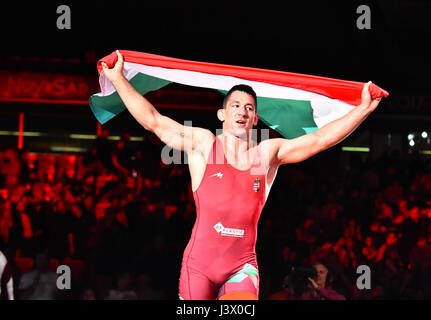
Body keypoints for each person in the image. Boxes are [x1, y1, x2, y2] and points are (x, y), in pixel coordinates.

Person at [101, 50, 382, 300]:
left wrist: (363, 108)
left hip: (242, 267)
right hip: (198, 267)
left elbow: (320, 140)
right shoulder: (204, 144)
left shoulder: (266, 155)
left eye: (249, 108)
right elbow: (154, 121)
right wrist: (118, 79)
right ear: (222, 114)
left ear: (256, 119)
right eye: (235, 105)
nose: (242, 111)